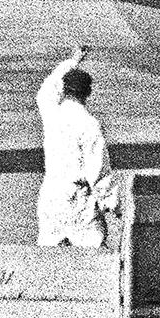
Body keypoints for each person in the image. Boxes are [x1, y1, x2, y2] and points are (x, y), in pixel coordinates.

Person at [35, 48, 113, 247]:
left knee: (50, 258)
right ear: (88, 92)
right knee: (92, 255)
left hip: (51, 195)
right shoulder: (89, 124)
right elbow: (98, 173)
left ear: (64, 89)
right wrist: (113, 205)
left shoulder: (52, 113)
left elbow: (46, 90)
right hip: (78, 200)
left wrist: (73, 61)